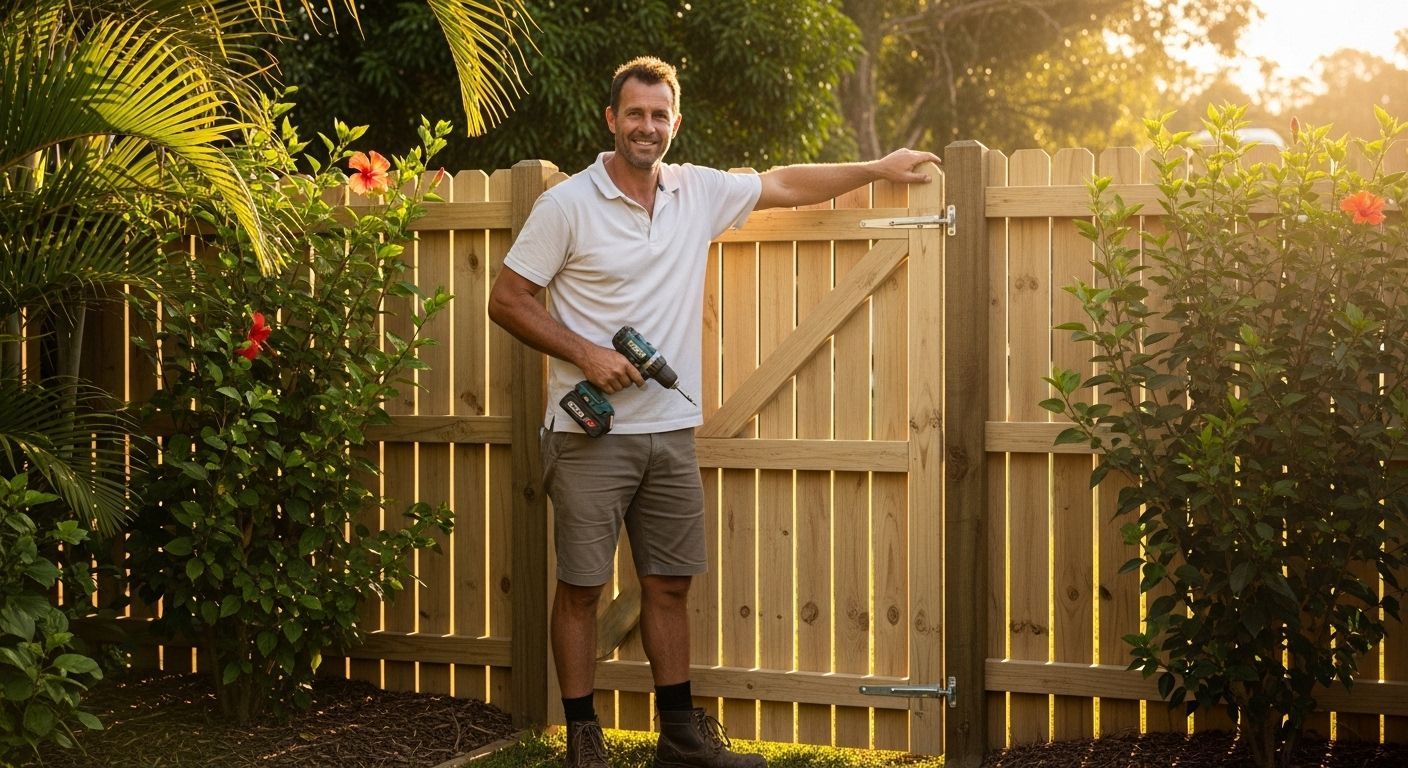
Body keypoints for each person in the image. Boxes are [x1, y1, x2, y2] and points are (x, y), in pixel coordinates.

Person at [488, 56, 940, 768]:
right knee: (580, 588)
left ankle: (680, 738)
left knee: (669, 585)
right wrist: (587, 352)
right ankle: (582, 738)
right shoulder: (567, 205)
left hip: (668, 432)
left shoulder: (694, 191)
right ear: (611, 119)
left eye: (659, 115)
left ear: (675, 122)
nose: (647, 126)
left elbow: (786, 181)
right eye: (634, 113)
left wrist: (878, 166)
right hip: (589, 432)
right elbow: (507, 299)